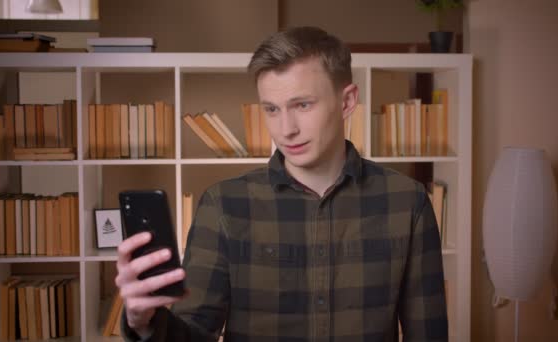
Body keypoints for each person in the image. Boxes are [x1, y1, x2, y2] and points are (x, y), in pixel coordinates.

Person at [116, 26, 448, 341]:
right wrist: (143, 321)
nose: (285, 129)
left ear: (347, 102)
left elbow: (429, 335)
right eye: (272, 109)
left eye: (302, 105)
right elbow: (194, 334)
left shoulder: (408, 203)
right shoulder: (222, 205)